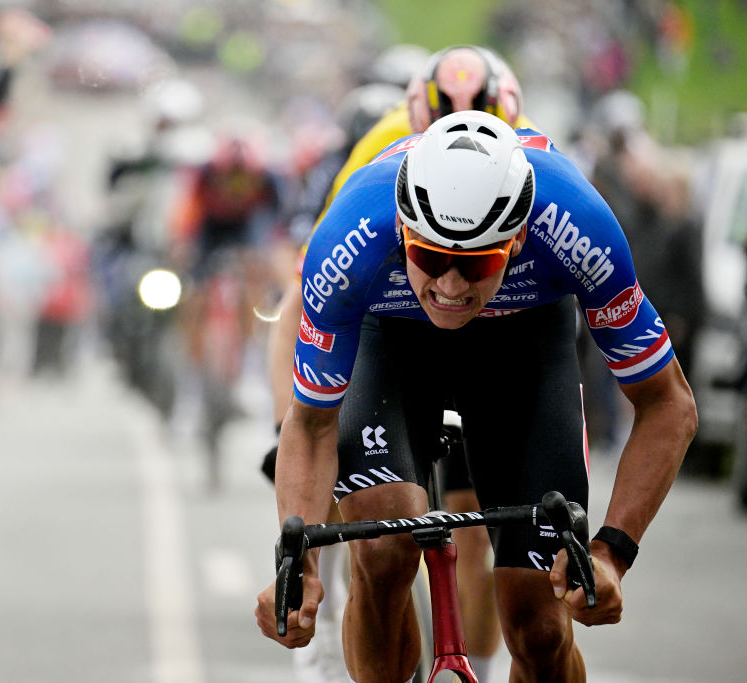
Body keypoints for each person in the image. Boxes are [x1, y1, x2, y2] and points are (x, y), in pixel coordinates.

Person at [254, 110, 697, 682]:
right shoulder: (350, 235)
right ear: (404, 230)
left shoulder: (577, 224)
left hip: (523, 339)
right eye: (430, 257)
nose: (450, 286)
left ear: (515, 241)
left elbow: (670, 405)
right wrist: (303, 566)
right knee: (383, 552)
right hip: (390, 337)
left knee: (539, 623)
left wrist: (612, 552)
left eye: (474, 263)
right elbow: (311, 423)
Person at [263, 44, 532, 683]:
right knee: (377, 538)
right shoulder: (380, 153)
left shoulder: (523, 161)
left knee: (478, 532)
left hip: (489, 325)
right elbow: (310, 293)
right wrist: (289, 426)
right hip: (390, 318)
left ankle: (484, 668)